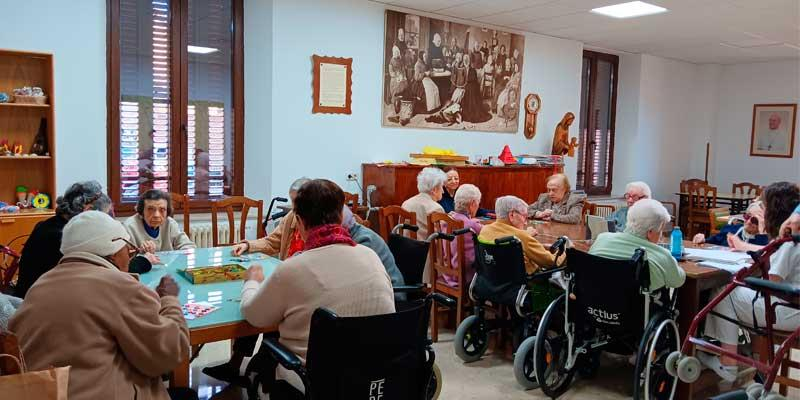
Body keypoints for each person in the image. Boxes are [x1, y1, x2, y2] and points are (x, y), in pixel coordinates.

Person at [9, 211, 193, 400]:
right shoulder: (120, 287)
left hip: (43, 392)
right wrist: (169, 300)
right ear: (113, 253)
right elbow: (169, 355)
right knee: (186, 395)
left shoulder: (40, 285)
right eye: (128, 248)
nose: (130, 256)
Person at [240, 179, 395, 393]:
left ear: (300, 222)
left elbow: (254, 316)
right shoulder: (370, 256)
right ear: (340, 217)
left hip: (314, 382)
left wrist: (251, 281)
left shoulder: (293, 268)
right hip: (373, 380)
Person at [203, 177, 310, 383]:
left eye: (298, 203)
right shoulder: (291, 217)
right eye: (293, 202)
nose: (295, 208)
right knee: (253, 304)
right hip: (285, 278)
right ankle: (236, 364)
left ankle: (259, 368)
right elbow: (273, 241)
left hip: (298, 288)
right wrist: (248, 245)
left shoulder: (315, 224)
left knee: (259, 310)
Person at [700, 211, 800, 381]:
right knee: (738, 292)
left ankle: (728, 361)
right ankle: (746, 350)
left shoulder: (791, 244)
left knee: (725, 291)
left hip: (788, 311)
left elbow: (772, 278)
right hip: (793, 310)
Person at [15, 180, 113, 298]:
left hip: (35, 298)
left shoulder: (48, 225)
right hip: (38, 304)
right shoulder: (63, 238)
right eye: (104, 216)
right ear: (88, 211)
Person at [589, 199, 686, 292]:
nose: (661, 235)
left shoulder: (602, 239)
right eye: (661, 230)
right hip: (636, 308)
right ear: (650, 232)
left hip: (592, 305)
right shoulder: (662, 256)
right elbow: (678, 281)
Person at [479, 196, 561, 274]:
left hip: (492, 281)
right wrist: (564, 251)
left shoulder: (485, 230)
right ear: (512, 215)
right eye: (525, 217)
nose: (525, 223)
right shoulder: (521, 237)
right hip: (526, 282)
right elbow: (550, 262)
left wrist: (525, 234)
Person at [342, 206, 406, 299]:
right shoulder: (356, 233)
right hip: (379, 292)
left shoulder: (364, 240)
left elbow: (356, 280)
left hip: (393, 296)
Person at [727, 182, 799, 252]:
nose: (760, 206)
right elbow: (775, 250)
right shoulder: (787, 231)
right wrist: (742, 245)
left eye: (763, 205)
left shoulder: (792, 233)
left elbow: (773, 255)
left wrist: (762, 232)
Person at [124, 189, 195, 253]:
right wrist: (141, 252)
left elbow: (188, 246)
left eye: (162, 210)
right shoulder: (129, 226)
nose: (156, 215)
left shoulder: (170, 223)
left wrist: (184, 252)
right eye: (150, 209)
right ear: (142, 211)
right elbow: (125, 258)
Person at [441, 184, 483, 287]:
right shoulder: (473, 225)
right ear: (473, 204)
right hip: (466, 275)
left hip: (446, 273)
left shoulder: (446, 219)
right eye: (478, 203)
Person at [693, 202, 768, 247]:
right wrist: (702, 239)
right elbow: (714, 240)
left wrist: (761, 232)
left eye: (754, 220)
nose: (748, 222)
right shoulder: (731, 229)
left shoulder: (765, 239)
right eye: (747, 216)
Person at [402, 167, 447, 238]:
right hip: (426, 248)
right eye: (442, 187)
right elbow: (442, 237)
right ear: (434, 190)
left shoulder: (406, 203)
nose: (443, 191)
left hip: (405, 246)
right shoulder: (436, 208)